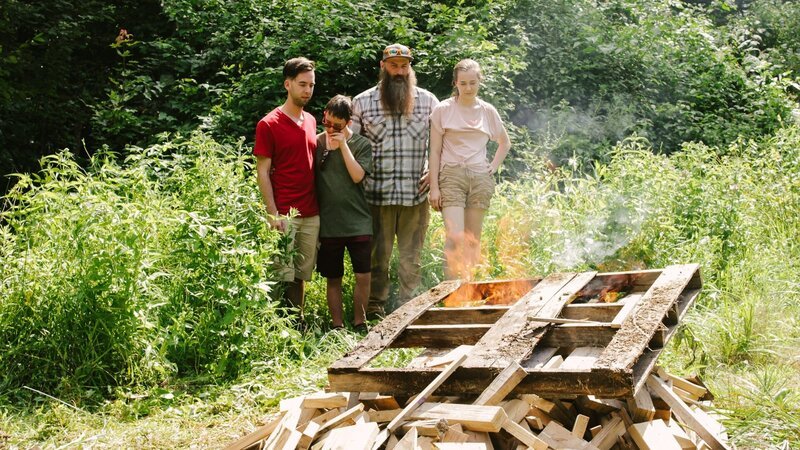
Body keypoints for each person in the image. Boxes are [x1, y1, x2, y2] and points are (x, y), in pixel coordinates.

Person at [351, 43, 439, 318]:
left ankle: (408, 306)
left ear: (410, 67)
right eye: (393, 66)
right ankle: (376, 306)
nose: (399, 71)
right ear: (383, 67)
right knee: (378, 256)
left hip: (416, 194)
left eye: (404, 66)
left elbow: (442, 143)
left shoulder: (428, 101)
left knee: (411, 257)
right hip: (378, 194)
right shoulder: (362, 102)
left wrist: (433, 172)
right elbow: (350, 144)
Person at [428, 59, 511, 280]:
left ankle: (470, 291)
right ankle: (451, 292)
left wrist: (492, 167)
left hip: (480, 178)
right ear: (455, 83)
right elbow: (434, 151)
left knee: (473, 238)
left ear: (479, 82)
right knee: (455, 237)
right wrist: (434, 188)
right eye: (463, 83)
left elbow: (505, 143)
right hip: (451, 175)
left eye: (473, 83)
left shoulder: (487, 111)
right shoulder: (443, 110)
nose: (468, 88)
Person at [253, 57, 319, 320]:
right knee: (279, 275)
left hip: (311, 212)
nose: (307, 90)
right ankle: (272, 327)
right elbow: (262, 171)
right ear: (287, 84)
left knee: (300, 276)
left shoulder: (312, 121)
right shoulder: (269, 124)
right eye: (302, 84)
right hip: (284, 213)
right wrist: (273, 213)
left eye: (311, 85)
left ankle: (296, 324)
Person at [315, 95, 373, 331]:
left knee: (363, 275)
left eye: (336, 126)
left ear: (349, 123)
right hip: (330, 223)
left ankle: (360, 322)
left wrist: (343, 146)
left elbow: (358, 176)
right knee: (333, 277)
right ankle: (337, 326)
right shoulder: (316, 143)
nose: (329, 129)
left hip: (358, 221)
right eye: (326, 122)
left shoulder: (361, 144)